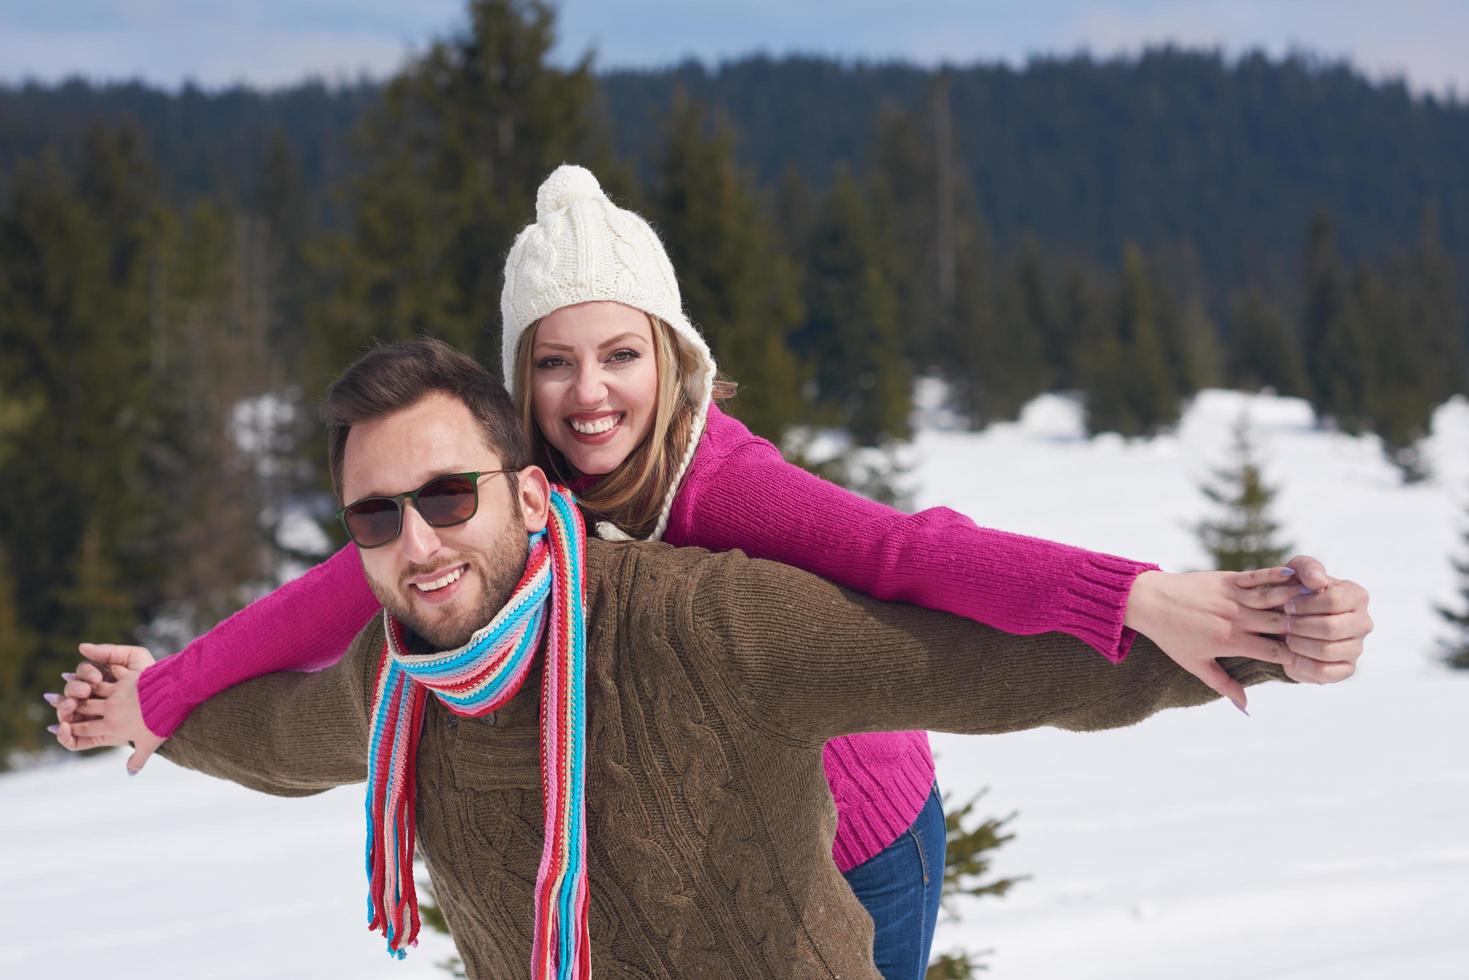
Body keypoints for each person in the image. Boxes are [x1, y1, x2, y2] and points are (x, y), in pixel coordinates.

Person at [51, 166, 1374, 980]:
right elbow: (327, 602)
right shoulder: (496, 507)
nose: (588, 394)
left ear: (670, 355)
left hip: (857, 828)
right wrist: (165, 695)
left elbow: (914, 565)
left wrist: (1147, 600)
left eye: (619, 354)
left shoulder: (716, 481)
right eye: (554, 363)